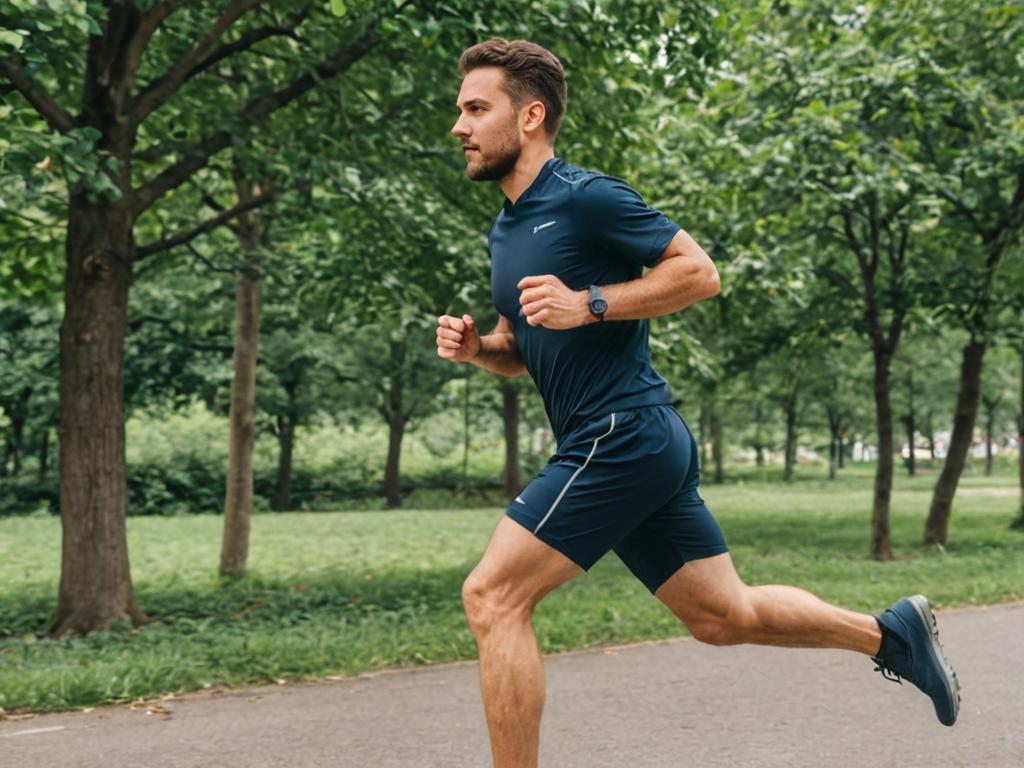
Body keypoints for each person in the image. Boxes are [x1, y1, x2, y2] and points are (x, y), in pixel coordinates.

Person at [437, 38, 959, 768]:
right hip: (635, 441)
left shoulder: (585, 197)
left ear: (529, 117)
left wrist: (589, 302)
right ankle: (891, 634)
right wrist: (479, 349)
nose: (457, 126)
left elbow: (700, 272)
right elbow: (521, 346)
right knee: (722, 615)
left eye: (474, 108)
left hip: (620, 433)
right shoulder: (506, 229)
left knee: (492, 597)